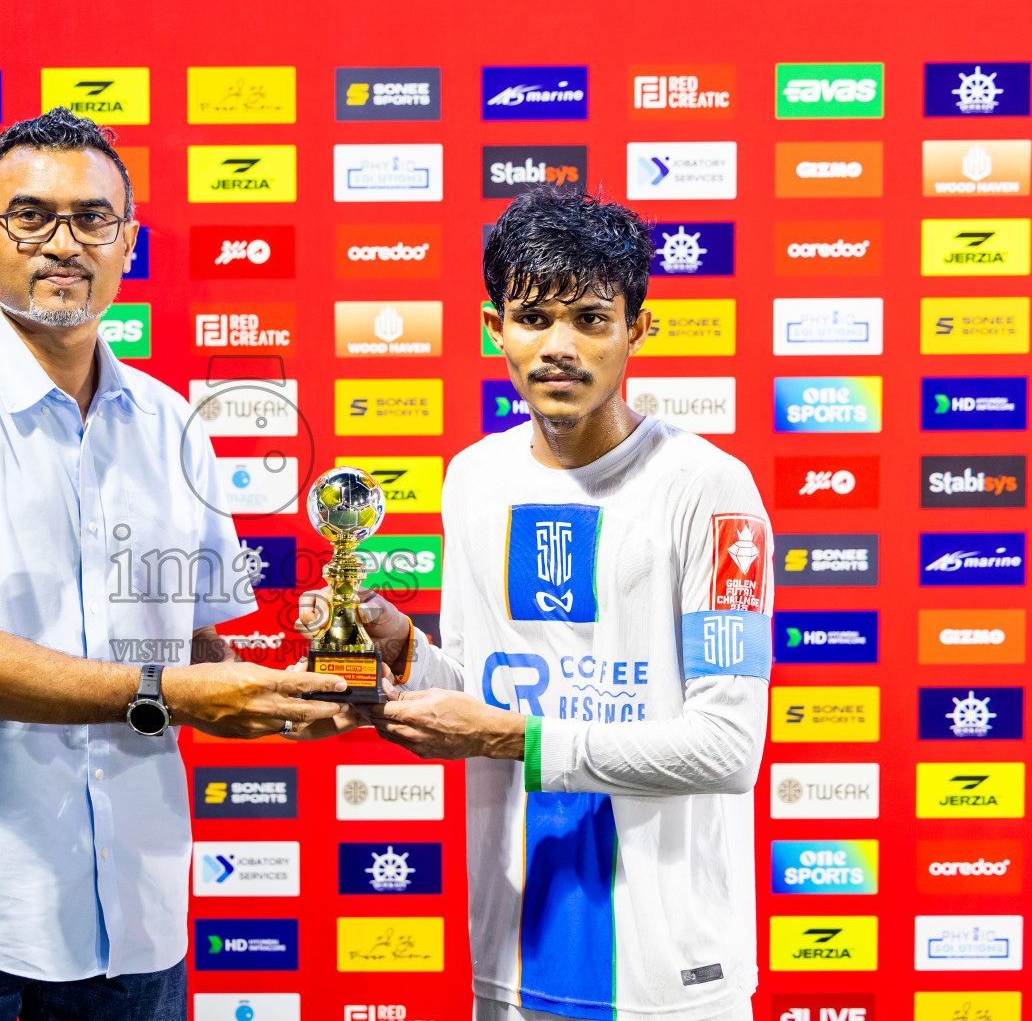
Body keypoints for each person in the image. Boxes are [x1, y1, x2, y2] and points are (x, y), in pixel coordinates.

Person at [0, 107, 348, 1020]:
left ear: (129, 240)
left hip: (136, 922)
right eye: (30, 217)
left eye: (93, 219)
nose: (62, 243)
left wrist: (285, 696)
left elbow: (193, 657)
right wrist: (166, 692)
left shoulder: (172, 425)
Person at [300, 187, 773, 1021]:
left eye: (591, 317)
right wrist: (394, 641)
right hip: (511, 950)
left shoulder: (711, 489)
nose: (560, 346)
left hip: (672, 973)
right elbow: (487, 690)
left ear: (638, 329)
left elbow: (727, 750)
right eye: (533, 317)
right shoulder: (473, 477)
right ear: (495, 330)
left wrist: (506, 735)